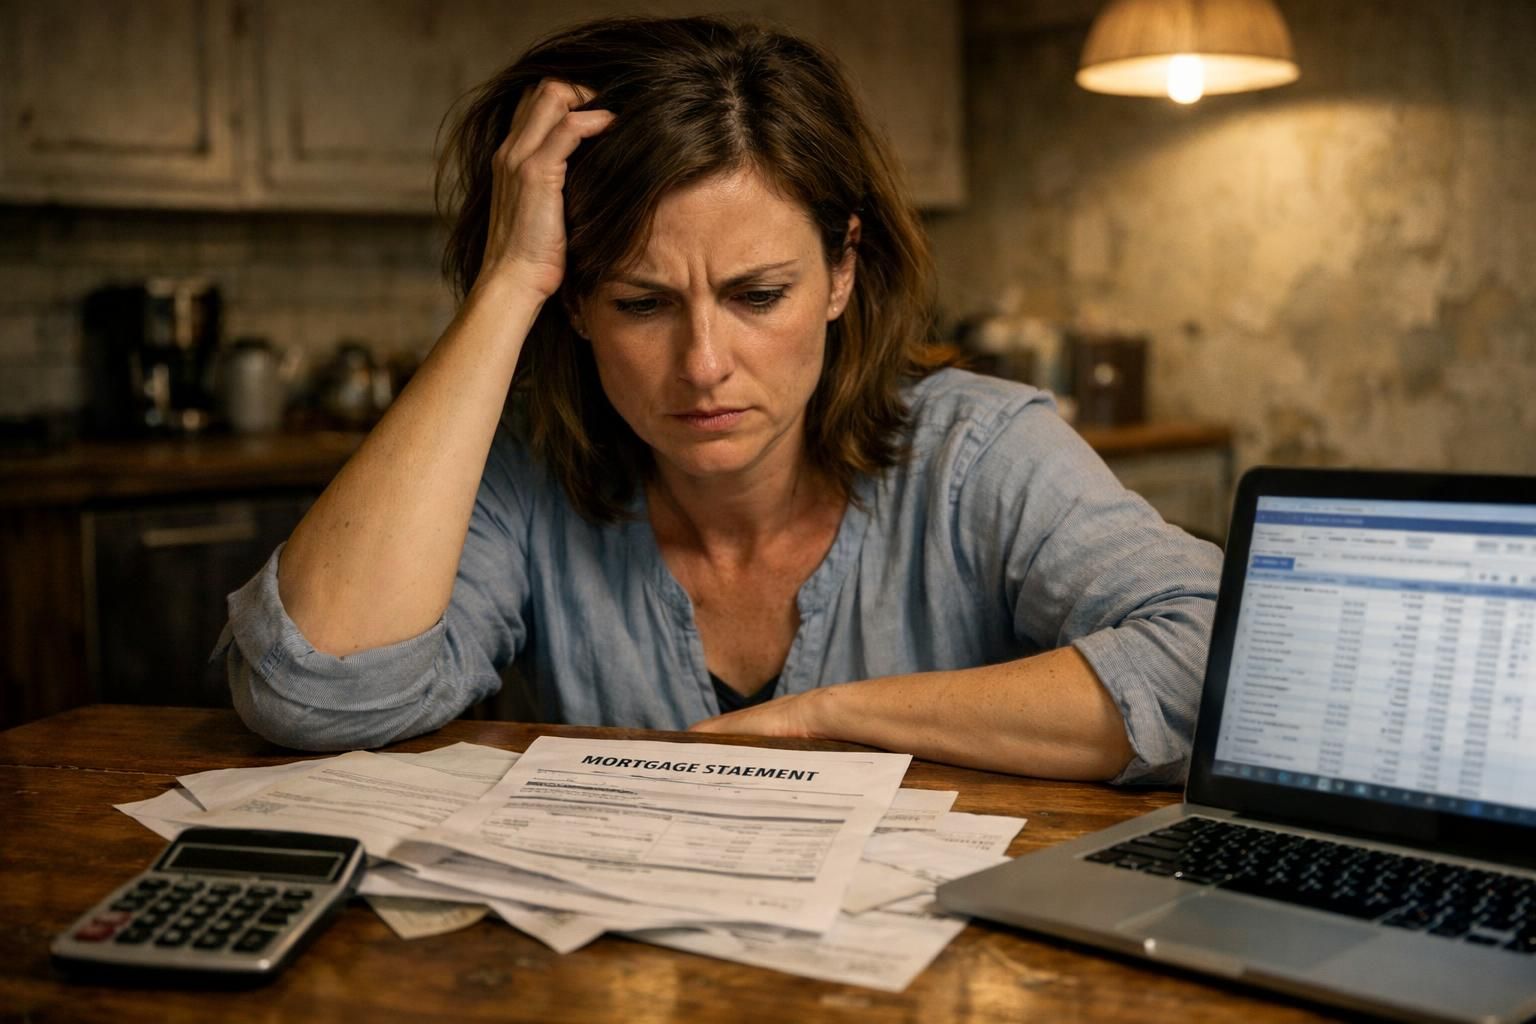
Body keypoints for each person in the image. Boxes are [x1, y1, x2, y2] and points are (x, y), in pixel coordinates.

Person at [218, 15, 1221, 785]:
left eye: (757, 296)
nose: (703, 363)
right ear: (576, 305)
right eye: (641, 301)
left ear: (839, 272)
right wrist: (507, 285)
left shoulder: (979, 451)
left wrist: (831, 717)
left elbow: (1214, 656)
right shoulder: (526, 478)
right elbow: (311, 691)